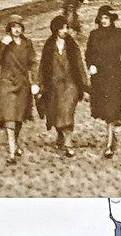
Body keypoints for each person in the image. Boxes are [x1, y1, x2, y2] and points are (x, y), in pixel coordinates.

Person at [85, 5, 121, 158]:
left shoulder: (120, 34)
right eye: (101, 18)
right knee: (104, 110)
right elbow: (88, 53)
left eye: (106, 18)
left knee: (111, 110)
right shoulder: (94, 35)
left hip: (115, 76)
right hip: (99, 78)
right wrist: (91, 65)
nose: (104, 21)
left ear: (111, 19)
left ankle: (109, 145)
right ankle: (112, 133)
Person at [38, 15, 89, 157]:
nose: (65, 30)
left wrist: (85, 88)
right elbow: (43, 67)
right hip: (53, 86)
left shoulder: (72, 46)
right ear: (55, 29)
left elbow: (80, 66)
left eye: (66, 27)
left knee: (67, 112)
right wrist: (39, 84)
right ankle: (60, 135)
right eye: (62, 28)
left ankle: (68, 143)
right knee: (55, 113)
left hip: (71, 85)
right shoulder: (49, 47)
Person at [0, 18, 38, 164]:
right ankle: (12, 153)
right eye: (13, 27)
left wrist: (35, 82)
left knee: (18, 119)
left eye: (19, 27)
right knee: (10, 119)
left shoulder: (27, 44)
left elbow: (33, 63)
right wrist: (3, 46)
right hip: (7, 84)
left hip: (23, 84)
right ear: (9, 29)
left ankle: (15, 143)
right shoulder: (4, 43)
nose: (17, 30)